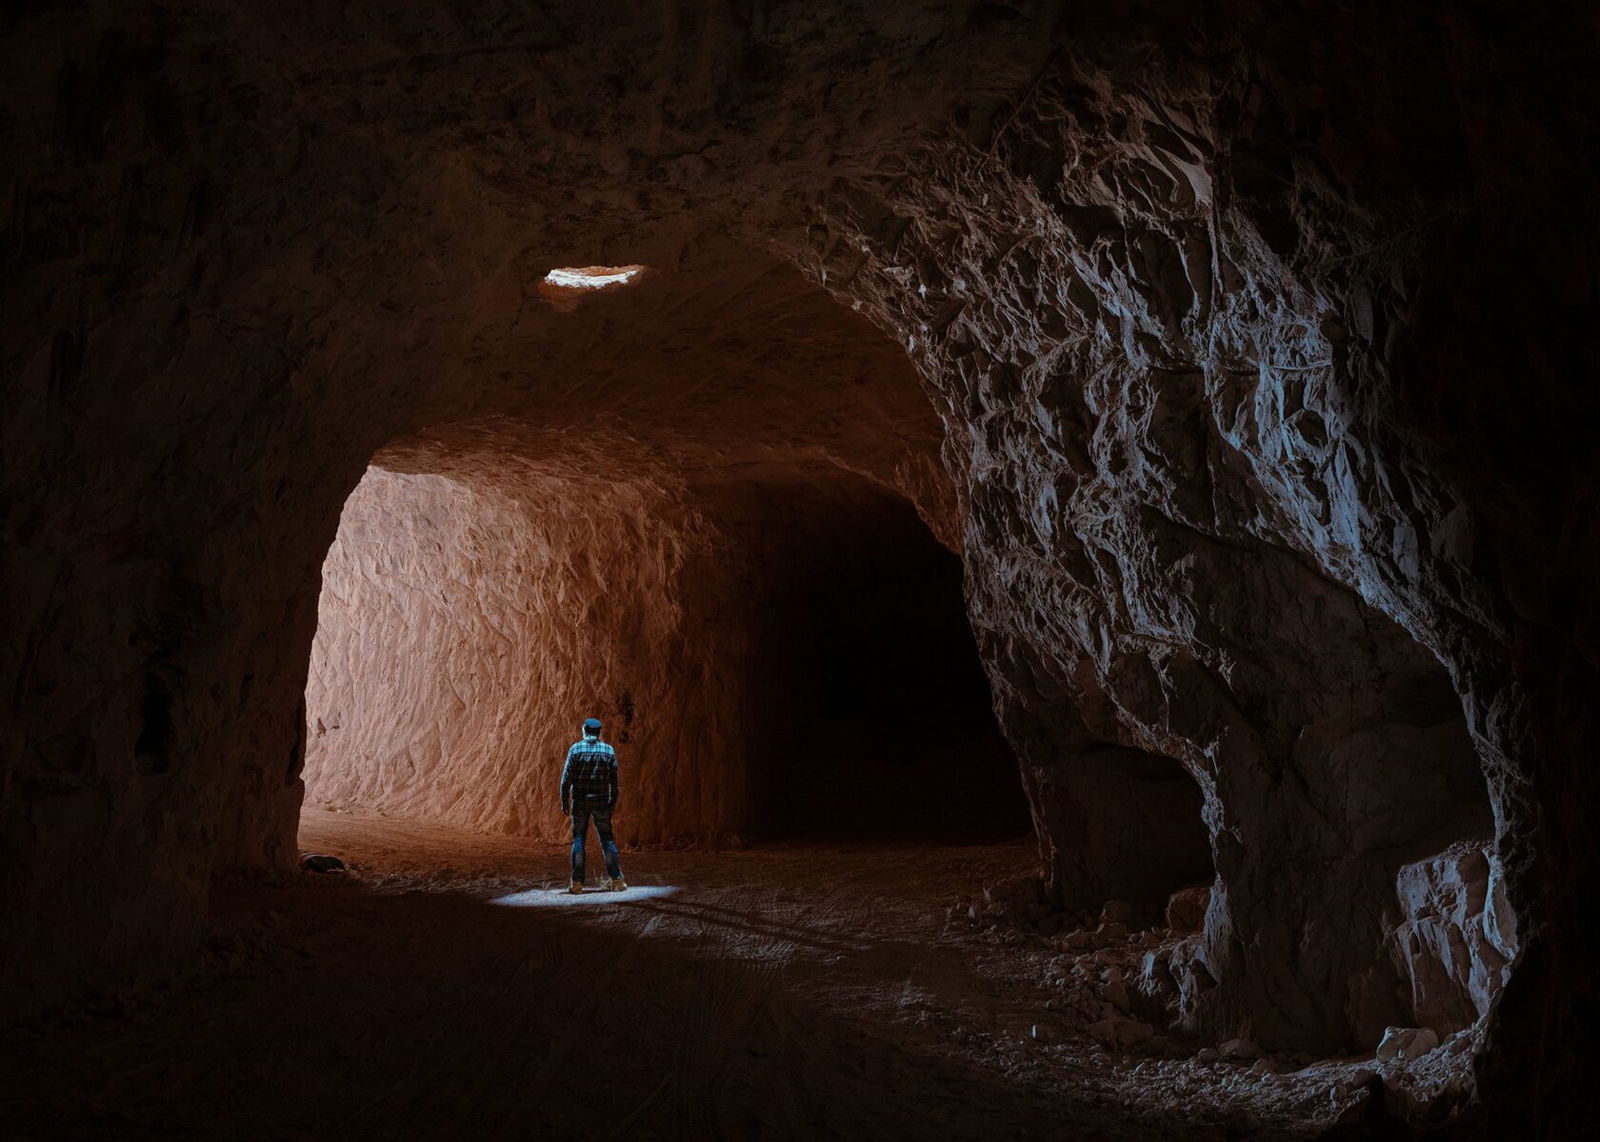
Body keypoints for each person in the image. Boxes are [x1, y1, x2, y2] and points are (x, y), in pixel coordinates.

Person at [560, 716, 626, 893]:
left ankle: (577, 883)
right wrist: (612, 801)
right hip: (601, 802)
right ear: (599, 732)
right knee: (607, 839)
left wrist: (564, 800)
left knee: (579, 838)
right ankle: (617, 880)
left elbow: (566, 779)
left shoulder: (575, 749)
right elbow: (614, 781)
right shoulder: (608, 750)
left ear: (584, 731)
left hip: (580, 802)